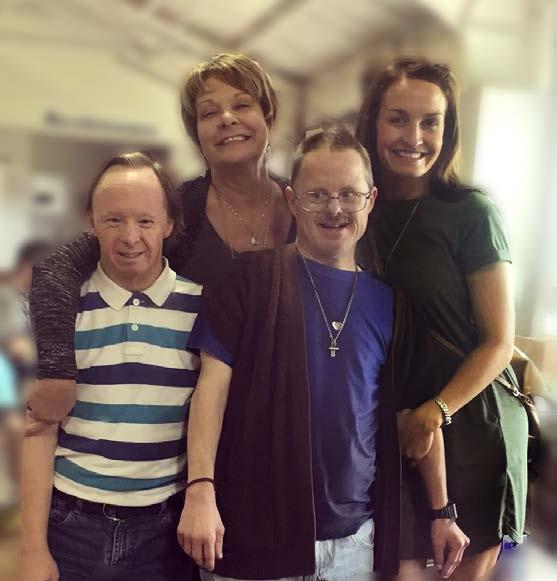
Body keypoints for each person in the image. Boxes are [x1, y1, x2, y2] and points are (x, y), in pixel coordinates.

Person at [177, 128, 469, 580]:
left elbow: (414, 414)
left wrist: (442, 511)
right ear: (292, 202)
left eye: (349, 194)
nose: (334, 209)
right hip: (252, 541)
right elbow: (210, 390)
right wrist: (200, 489)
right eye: (317, 195)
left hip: (355, 547)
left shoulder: (391, 304)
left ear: (371, 200)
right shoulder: (248, 281)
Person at [27, 52, 294, 425]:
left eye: (242, 104)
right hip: (194, 424)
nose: (227, 118)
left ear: (268, 114)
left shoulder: (306, 205)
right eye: (209, 112)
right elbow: (55, 269)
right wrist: (57, 371)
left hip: (287, 414)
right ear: (196, 133)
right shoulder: (175, 209)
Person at [356, 58, 528, 580]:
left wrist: (436, 410)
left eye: (430, 121)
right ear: (373, 123)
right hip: (393, 427)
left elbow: (498, 342)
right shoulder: (356, 210)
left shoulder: (471, 212)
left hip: (471, 420)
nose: (414, 137)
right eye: (398, 119)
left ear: (448, 131)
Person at [21, 153, 201, 581]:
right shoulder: (60, 311)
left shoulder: (201, 307)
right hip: (72, 526)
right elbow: (38, 430)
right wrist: (32, 549)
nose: (130, 237)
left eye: (146, 220)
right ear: (91, 222)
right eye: (113, 220)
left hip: (166, 531)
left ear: (169, 224)